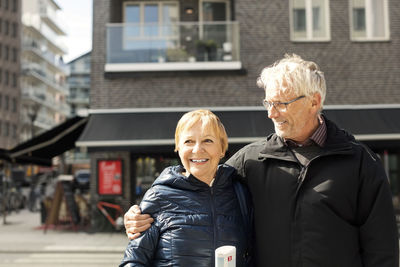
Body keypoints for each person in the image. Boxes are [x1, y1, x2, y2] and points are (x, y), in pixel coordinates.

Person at [124, 54, 399, 267]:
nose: (271, 113)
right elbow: (200, 182)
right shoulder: (251, 160)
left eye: (281, 103)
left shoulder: (360, 162)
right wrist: (144, 215)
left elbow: (382, 250)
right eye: (268, 103)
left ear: (314, 102)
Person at [120, 109, 253, 266]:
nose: (197, 149)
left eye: (208, 141)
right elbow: (134, 260)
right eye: (188, 141)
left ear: (222, 149)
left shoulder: (239, 193)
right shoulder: (159, 196)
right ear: (178, 148)